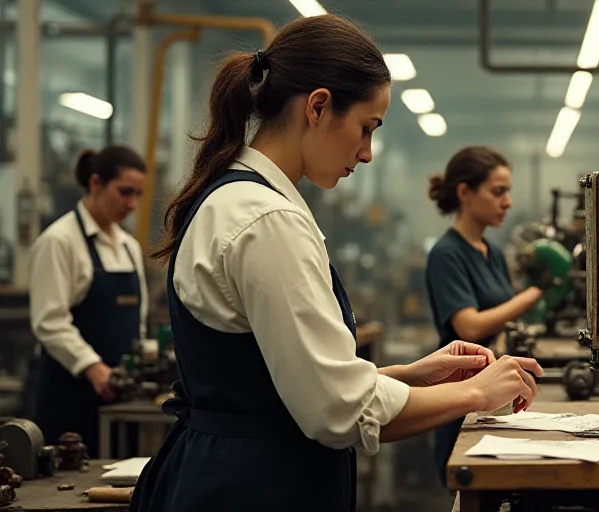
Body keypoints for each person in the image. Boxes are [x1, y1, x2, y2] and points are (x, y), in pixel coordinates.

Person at [129, 14, 542, 512]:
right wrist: (477, 393)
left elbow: (281, 384)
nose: (366, 153)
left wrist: (410, 374)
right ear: (319, 107)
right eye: (366, 129)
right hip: (255, 488)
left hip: (237, 472)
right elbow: (336, 410)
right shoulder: (265, 219)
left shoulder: (238, 199)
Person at [425, 146, 549, 483]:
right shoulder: (446, 254)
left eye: (507, 192)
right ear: (465, 192)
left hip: (489, 393)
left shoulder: (491, 251)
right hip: (458, 395)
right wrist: (535, 293)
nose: (507, 201)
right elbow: (469, 325)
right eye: (498, 192)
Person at [27, 145, 148, 456]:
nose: (132, 204)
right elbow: (49, 322)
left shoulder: (128, 247)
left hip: (120, 400)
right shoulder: (59, 241)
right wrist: (93, 367)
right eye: (125, 192)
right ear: (96, 183)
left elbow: (139, 320)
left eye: (138, 194)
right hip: (69, 397)